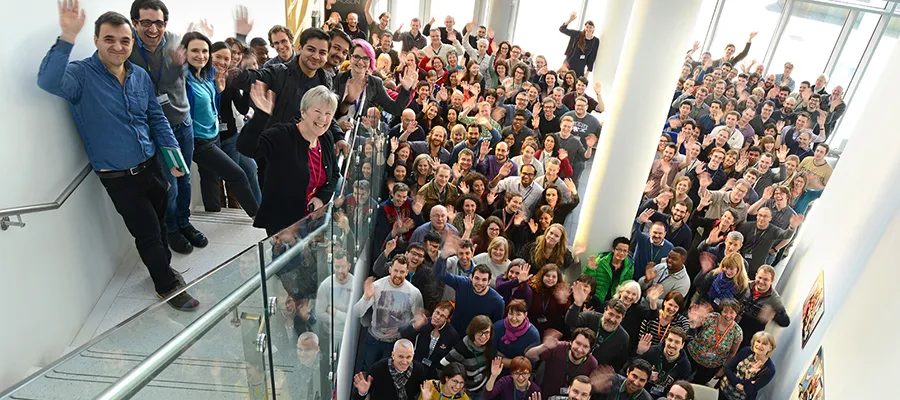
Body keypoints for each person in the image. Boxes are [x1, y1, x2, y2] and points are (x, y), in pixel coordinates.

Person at [38, 5, 199, 310]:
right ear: (97, 40)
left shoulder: (138, 75)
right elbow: (47, 81)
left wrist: (172, 153)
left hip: (151, 167)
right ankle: (166, 286)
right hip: (119, 178)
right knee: (148, 233)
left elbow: (155, 117)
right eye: (109, 39)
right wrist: (67, 36)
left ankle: (163, 267)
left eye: (124, 41)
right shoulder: (80, 76)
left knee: (161, 223)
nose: (117, 46)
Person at [126, 0, 210, 253]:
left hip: (183, 124)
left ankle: (184, 222)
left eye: (159, 23)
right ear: (135, 23)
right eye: (146, 23)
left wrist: (178, 66)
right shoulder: (128, 47)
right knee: (169, 187)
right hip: (157, 131)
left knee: (185, 180)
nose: (153, 29)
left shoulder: (175, 41)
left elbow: (182, 76)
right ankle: (172, 228)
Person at [239, 84, 339, 235]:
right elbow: (246, 148)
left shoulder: (325, 137)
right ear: (303, 112)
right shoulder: (283, 135)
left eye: (328, 113)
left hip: (313, 221)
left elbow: (334, 175)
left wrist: (321, 197)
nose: (323, 118)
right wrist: (261, 116)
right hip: (284, 226)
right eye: (317, 111)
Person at [181, 32, 260, 223]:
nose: (201, 55)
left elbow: (215, 106)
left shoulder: (207, 77)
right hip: (199, 139)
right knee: (236, 175)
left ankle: (215, 214)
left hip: (217, 134)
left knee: (218, 176)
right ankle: (258, 216)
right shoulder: (184, 77)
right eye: (195, 51)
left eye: (204, 51)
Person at [353, 254, 425, 372]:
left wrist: (411, 325)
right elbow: (357, 312)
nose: (398, 275)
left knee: (388, 375)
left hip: (395, 343)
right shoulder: (376, 286)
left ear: (407, 272)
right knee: (367, 370)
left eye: (402, 272)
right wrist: (366, 297)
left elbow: (416, 321)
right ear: (390, 269)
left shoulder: (414, 293)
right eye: (395, 270)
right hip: (374, 339)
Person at [435, 237, 506, 333]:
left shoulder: (497, 302)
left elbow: (496, 328)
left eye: (484, 280)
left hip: (475, 340)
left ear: (489, 282)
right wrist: (444, 255)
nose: (480, 283)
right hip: (453, 334)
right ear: (471, 277)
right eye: (477, 278)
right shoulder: (462, 283)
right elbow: (440, 274)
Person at [334, 39, 415, 121]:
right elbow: (330, 112)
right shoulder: (339, 78)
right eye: (356, 57)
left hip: (359, 131)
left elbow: (395, 109)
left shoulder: (375, 83)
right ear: (350, 58)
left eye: (365, 58)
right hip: (336, 130)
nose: (361, 62)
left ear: (371, 61)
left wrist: (405, 89)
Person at [524, 328, 598, 399]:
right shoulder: (557, 348)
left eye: (585, 346)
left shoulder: (592, 364)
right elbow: (529, 355)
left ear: (589, 350)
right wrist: (543, 347)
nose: (580, 349)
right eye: (578, 343)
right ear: (571, 342)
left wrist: (595, 386)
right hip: (545, 396)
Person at [686, 298, 744, 385]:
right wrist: (694, 318)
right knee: (682, 378)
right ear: (721, 311)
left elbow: (732, 353)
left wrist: (723, 369)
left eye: (731, 312)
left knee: (697, 386)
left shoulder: (737, 332)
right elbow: (695, 324)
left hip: (711, 366)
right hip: (693, 356)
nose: (728, 315)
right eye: (725, 311)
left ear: (736, 314)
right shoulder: (712, 317)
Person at [564, 298, 631, 372]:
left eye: (617, 317)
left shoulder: (623, 338)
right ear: (605, 310)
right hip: (570, 361)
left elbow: (617, 365)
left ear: (622, 318)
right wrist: (577, 304)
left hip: (593, 374)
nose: (612, 319)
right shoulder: (589, 317)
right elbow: (570, 322)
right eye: (610, 314)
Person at [735, 207, 801, 279]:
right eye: (760, 215)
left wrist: (792, 227)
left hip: (756, 269)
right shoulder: (746, 226)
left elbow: (785, 235)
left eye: (765, 216)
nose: (762, 218)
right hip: (740, 263)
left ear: (770, 218)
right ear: (757, 216)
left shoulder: (773, 230)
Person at [441, 315, 497, 397]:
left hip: (482, 389)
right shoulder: (462, 348)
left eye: (487, 333)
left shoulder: (489, 346)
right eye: (480, 332)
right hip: (465, 392)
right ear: (473, 332)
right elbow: (443, 365)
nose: (484, 337)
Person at [402, 301, 461, 379]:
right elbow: (404, 335)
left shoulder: (452, 335)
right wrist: (415, 327)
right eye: (437, 312)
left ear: (447, 319)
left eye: (442, 316)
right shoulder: (423, 322)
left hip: (434, 373)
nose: (437, 317)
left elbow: (453, 358)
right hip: (415, 366)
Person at [353, 339, 427, 399]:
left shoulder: (418, 369)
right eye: (400, 356)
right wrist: (362, 393)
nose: (404, 362)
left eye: (408, 357)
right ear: (393, 355)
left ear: (413, 356)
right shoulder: (378, 369)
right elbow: (356, 398)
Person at [737, 265, 789, 348]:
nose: (761, 281)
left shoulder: (774, 299)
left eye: (765, 279)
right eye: (760, 277)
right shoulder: (745, 285)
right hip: (733, 325)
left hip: (749, 336)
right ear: (756, 275)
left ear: (772, 281)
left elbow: (785, 322)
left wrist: (773, 315)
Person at [314, 248, 353, 352]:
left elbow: (354, 317)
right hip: (330, 334)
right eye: (337, 267)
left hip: (349, 334)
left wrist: (335, 312)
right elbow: (319, 313)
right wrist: (342, 319)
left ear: (349, 266)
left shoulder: (356, 285)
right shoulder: (326, 285)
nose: (340, 271)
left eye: (343, 266)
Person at [718, 332, 777, 400]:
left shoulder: (769, 369)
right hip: (724, 388)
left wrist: (748, 376)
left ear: (770, 348)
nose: (759, 345)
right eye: (758, 341)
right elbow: (727, 368)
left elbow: (750, 390)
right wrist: (737, 383)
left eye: (764, 344)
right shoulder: (746, 351)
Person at [584, 237, 634, 302]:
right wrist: (590, 269)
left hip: (614, 302)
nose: (621, 253)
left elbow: (626, 286)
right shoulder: (601, 261)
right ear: (613, 249)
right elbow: (586, 280)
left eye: (625, 251)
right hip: (596, 299)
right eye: (619, 249)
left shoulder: (629, 267)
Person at [631, 215, 674, 282]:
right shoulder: (643, 238)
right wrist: (638, 221)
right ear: (650, 231)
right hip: (634, 277)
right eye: (655, 232)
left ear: (665, 234)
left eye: (660, 233)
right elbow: (634, 230)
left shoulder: (670, 247)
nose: (657, 235)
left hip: (652, 281)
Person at [590, 359, 655, 400]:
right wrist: (593, 388)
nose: (636, 382)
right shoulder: (610, 381)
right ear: (628, 371)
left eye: (642, 380)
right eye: (634, 376)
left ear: (646, 382)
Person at [559, 12, 599, 77]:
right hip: (569, 63)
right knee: (566, 81)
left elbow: (592, 57)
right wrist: (570, 20)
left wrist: (587, 72)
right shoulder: (578, 34)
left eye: (590, 27)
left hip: (580, 67)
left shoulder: (595, 41)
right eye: (587, 27)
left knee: (577, 84)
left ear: (594, 28)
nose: (588, 29)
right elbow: (562, 29)